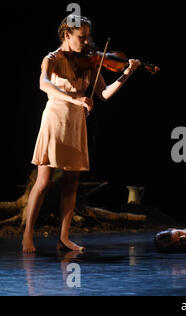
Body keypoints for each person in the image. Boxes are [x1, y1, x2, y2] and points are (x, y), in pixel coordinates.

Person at [22, 15, 141, 253]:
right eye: (81, 37)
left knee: (72, 183)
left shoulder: (89, 62)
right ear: (67, 35)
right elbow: (43, 84)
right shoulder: (52, 59)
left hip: (76, 123)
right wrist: (74, 99)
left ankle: (64, 238)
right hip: (55, 120)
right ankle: (27, 236)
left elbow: (104, 95)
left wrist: (126, 73)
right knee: (43, 181)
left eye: (88, 37)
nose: (86, 43)